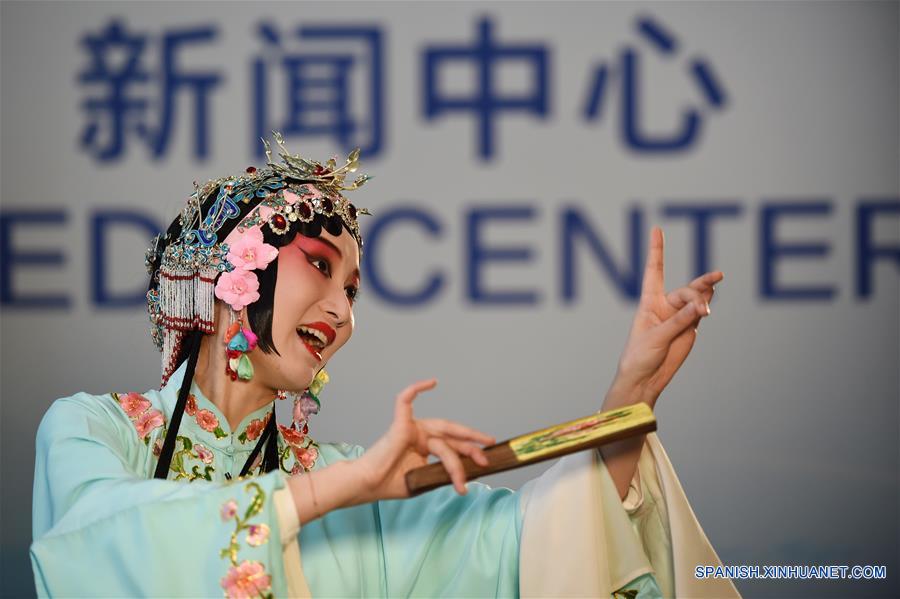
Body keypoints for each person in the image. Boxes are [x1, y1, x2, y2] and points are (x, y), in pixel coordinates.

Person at [30, 137, 740, 598]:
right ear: (226, 271)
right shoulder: (92, 428)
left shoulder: (356, 480)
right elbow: (93, 540)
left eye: (353, 291)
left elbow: (521, 551)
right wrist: (336, 489)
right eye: (320, 266)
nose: (342, 311)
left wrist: (628, 395)